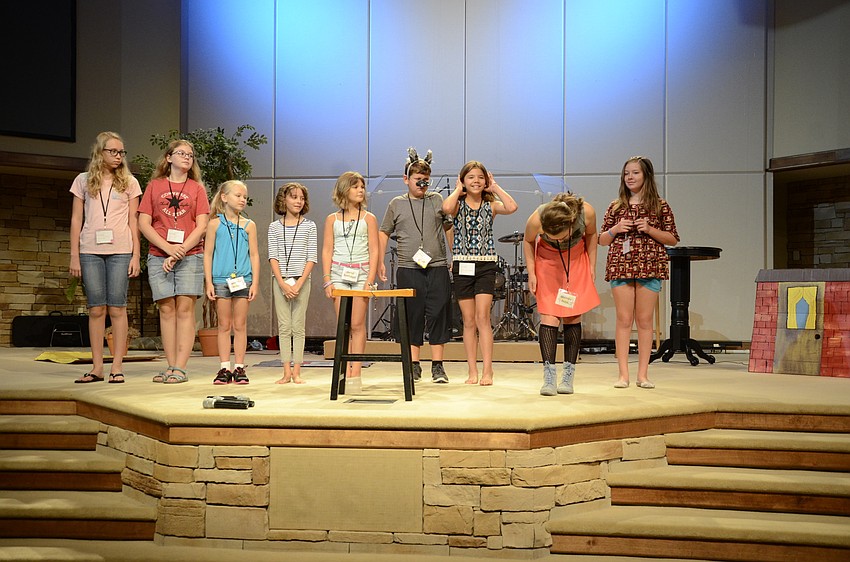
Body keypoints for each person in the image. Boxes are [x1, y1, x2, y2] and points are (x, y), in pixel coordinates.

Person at [599, 156, 679, 389]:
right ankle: (623, 374)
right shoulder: (615, 206)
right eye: (626, 174)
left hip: (650, 266)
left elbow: (672, 238)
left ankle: (642, 374)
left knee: (645, 322)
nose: (630, 177)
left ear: (646, 176)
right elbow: (601, 240)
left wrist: (650, 229)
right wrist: (615, 229)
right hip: (621, 267)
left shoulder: (660, 206)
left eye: (635, 173)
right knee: (624, 320)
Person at [69, 132, 142, 384]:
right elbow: (76, 219)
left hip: (121, 250)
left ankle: (117, 366)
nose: (118, 156)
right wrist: (74, 256)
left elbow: (134, 220)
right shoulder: (82, 180)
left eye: (121, 152)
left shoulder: (130, 182)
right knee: (96, 308)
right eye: (113, 151)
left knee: (118, 307)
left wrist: (136, 255)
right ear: (100, 152)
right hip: (90, 250)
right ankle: (97, 367)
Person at [378, 147, 453, 384]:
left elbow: (447, 228)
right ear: (406, 179)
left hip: (437, 265)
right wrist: (380, 260)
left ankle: (438, 366)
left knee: (439, 312)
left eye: (426, 181)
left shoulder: (437, 200)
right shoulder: (396, 204)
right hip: (409, 267)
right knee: (412, 314)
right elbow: (384, 232)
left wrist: (454, 255)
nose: (422, 185)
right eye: (418, 180)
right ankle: (414, 364)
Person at [138, 140, 210, 384]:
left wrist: (179, 251)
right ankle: (169, 366)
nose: (187, 158)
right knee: (166, 309)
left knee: (185, 309)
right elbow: (144, 223)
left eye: (191, 154)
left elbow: (201, 226)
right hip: (159, 255)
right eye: (181, 153)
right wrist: (168, 248)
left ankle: (181, 366)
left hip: (190, 255)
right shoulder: (154, 186)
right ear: (168, 158)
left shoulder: (197, 189)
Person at [441, 161, 517, 385]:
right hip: (463, 264)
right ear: (463, 180)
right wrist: (457, 189)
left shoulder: (490, 205)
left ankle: (488, 371)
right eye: (471, 177)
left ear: (486, 181)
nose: (476, 181)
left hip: (485, 265)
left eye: (480, 177)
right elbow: (445, 209)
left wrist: (495, 188)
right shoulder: (458, 204)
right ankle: (472, 371)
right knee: (468, 320)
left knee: (483, 317)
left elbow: (512, 207)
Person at [523, 192, 600, 396]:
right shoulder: (537, 218)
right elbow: (528, 241)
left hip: (575, 261)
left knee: (573, 315)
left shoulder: (587, 213)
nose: (561, 239)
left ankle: (568, 374)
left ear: (571, 222)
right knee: (549, 316)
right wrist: (532, 272)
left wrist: (592, 264)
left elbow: (592, 235)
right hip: (548, 262)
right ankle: (549, 376)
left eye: (564, 236)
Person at [321, 171, 380, 394]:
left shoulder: (369, 219)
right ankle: (343, 370)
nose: (360, 190)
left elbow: (375, 250)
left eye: (362, 187)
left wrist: (370, 279)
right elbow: (327, 249)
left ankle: (357, 371)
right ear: (344, 189)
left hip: (361, 275)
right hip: (338, 275)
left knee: (357, 324)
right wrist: (327, 279)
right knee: (343, 325)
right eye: (355, 186)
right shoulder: (332, 219)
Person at [203, 180, 260, 385]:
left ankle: (239, 367)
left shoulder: (249, 225)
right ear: (224, 197)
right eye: (238, 195)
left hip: (243, 280)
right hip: (220, 280)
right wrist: (208, 282)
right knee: (224, 325)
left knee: (240, 325)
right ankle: (224, 368)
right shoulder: (214, 224)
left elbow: (254, 255)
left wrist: (254, 282)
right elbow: (208, 254)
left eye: (244, 196)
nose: (242, 199)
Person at [269, 182, 317, 384]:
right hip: (280, 281)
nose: (298, 201)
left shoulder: (309, 226)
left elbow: (311, 257)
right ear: (283, 199)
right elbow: (273, 257)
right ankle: (286, 371)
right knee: (284, 326)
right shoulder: (274, 227)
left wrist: (298, 284)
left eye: (301, 198)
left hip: (302, 281)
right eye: (294, 197)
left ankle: (297, 371)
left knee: (298, 326)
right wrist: (282, 283)